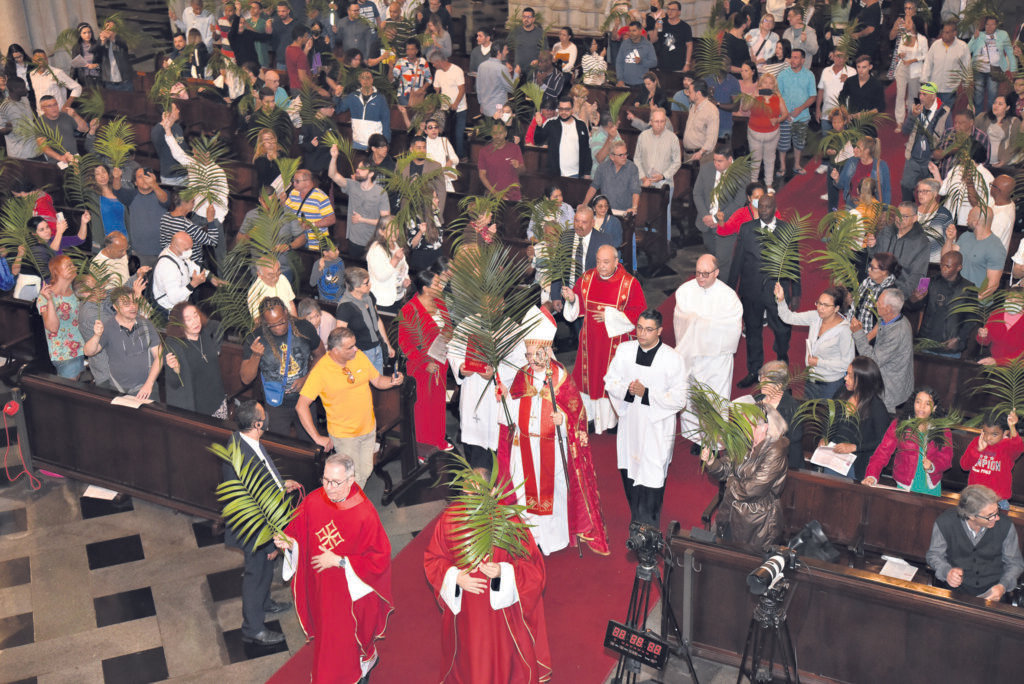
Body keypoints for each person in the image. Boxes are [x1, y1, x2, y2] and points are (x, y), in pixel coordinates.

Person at [496, 306, 610, 556]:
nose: (531, 361)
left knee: (554, 493)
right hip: (525, 445)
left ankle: (553, 537)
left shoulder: (560, 378)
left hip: (552, 448)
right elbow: (513, 409)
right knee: (523, 491)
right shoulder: (522, 375)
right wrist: (506, 398)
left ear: (548, 351)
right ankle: (530, 538)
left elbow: (579, 417)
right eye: (528, 355)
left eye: (536, 355)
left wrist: (565, 421)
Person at [274, 453, 393, 682]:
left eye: (335, 482)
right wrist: (289, 543)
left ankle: (357, 669)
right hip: (321, 586)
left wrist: (340, 561)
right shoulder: (314, 500)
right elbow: (298, 532)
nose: (328, 488)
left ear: (350, 480)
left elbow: (379, 557)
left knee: (345, 640)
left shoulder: (364, 514)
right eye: (325, 480)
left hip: (349, 594)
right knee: (327, 636)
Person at [423, 475, 551, 683]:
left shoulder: (508, 520)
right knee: (470, 662)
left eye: (478, 494)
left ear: (492, 491)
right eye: (468, 494)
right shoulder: (451, 518)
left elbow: (533, 568)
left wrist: (504, 572)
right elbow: (433, 559)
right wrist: (455, 577)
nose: (472, 501)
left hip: (501, 617)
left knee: (502, 661)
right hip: (467, 613)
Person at [220, 401, 298, 647]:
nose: (267, 417)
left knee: (264, 572)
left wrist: (280, 485)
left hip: (261, 525)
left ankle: (265, 602)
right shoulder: (243, 457)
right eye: (264, 415)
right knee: (256, 574)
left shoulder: (243, 440)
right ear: (256, 424)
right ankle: (253, 629)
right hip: (256, 531)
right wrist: (270, 543)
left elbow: (264, 479)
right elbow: (255, 507)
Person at [604, 309, 687, 527]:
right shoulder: (624, 350)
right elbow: (610, 381)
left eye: (649, 329)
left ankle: (650, 525)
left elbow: (680, 398)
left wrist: (647, 393)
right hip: (630, 423)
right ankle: (635, 517)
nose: (642, 333)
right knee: (629, 469)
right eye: (639, 327)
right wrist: (628, 390)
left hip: (656, 427)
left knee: (652, 474)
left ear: (659, 331)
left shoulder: (673, 358)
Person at [296, 328, 404, 487]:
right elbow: (301, 406)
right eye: (350, 347)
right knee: (353, 478)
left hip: (368, 428)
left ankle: (351, 505)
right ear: (335, 351)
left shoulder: (358, 356)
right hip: (345, 436)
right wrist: (317, 437)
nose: (356, 349)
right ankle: (349, 508)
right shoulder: (321, 371)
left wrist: (392, 381)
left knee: (365, 471)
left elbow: (377, 380)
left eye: (355, 345)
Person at [562, 244, 647, 434]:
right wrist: (572, 298)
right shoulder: (587, 278)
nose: (601, 266)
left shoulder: (629, 283)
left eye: (606, 262)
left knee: (610, 379)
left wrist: (610, 316)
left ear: (616, 262)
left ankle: (613, 420)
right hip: (589, 342)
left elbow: (639, 314)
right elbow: (578, 304)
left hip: (614, 344)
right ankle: (592, 417)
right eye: (598, 261)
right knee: (589, 379)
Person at [446, 304, 527, 471]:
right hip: (473, 396)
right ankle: (480, 489)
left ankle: (501, 490)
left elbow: (521, 363)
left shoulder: (511, 329)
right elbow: (453, 350)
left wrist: (496, 374)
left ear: (502, 301)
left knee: (501, 459)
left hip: (497, 398)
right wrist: (461, 368)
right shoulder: (468, 324)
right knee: (476, 455)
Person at [728, 194, 797, 388]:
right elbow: (738, 261)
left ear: (774, 208)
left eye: (768, 207)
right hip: (751, 291)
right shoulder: (747, 229)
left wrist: (796, 292)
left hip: (777, 291)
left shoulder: (788, 230)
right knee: (752, 331)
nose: (764, 211)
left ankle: (782, 361)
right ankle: (754, 370)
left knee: (782, 330)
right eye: (761, 208)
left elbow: (793, 264)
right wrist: (730, 289)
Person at [674, 254, 743, 447]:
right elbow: (680, 318)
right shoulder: (685, 290)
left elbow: (732, 328)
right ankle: (695, 437)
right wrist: (695, 322)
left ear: (717, 273)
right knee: (693, 395)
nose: (701, 278)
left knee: (714, 398)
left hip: (716, 360)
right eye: (697, 273)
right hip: (692, 355)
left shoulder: (728, 297)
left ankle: (713, 440)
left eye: (705, 273)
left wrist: (701, 324)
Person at [701, 405, 789, 552]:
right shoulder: (747, 441)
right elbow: (727, 467)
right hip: (731, 511)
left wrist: (730, 482)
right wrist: (712, 462)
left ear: (764, 427)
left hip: (756, 522)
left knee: (744, 567)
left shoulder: (775, 451)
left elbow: (752, 489)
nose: (744, 427)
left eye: (749, 424)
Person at [240, 297, 325, 440]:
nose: (278, 328)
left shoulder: (304, 328)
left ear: (286, 312)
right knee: (279, 447)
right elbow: (245, 379)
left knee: (310, 446)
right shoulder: (256, 337)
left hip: (305, 399)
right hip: (276, 404)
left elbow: (321, 355)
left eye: (281, 322)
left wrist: (306, 379)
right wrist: (256, 356)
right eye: (272, 325)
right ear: (264, 322)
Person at [926, 484, 1024, 600]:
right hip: (955, 593)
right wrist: (946, 572)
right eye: (990, 516)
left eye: (996, 512)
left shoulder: (1006, 525)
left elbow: (1015, 564)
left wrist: (1003, 586)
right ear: (971, 516)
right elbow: (934, 555)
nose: (997, 518)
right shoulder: (945, 522)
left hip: (994, 592)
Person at [398, 270, 453, 451]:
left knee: (437, 403)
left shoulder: (440, 303)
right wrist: (424, 362)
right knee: (422, 406)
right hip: (421, 366)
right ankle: (421, 447)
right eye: (436, 284)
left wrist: (447, 336)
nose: (440, 287)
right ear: (425, 288)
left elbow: (448, 327)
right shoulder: (410, 309)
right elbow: (405, 343)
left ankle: (438, 439)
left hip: (439, 360)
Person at [863, 387, 953, 495]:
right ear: (913, 404)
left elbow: (946, 458)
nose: (921, 407)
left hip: (931, 486)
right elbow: (882, 452)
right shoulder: (900, 424)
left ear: (934, 408)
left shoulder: (942, 429)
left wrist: (932, 466)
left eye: (927, 404)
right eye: (918, 402)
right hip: (905, 485)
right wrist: (871, 475)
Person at [775, 283, 854, 400]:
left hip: (830, 384)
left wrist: (819, 362)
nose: (820, 308)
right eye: (819, 303)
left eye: (826, 305)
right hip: (811, 379)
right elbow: (788, 317)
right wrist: (781, 300)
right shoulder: (815, 317)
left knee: (824, 416)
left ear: (836, 308)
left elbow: (847, 363)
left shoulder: (844, 330)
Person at [84, 286, 162, 399]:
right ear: (116, 307)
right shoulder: (108, 327)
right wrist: (97, 336)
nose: (133, 307)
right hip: (120, 390)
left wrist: (148, 384)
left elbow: (159, 356)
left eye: (134, 302)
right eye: (126, 304)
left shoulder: (146, 324)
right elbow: (88, 352)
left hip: (148, 389)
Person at [851, 288, 914, 413]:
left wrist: (858, 334)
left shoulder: (897, 333)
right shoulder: (891, 319)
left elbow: (873, 362)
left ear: (889, 309)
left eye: (879, 303)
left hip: (889, 391)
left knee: (881, 425)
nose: (876, 305)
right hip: (886, 383)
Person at [164, 302, 227, 417]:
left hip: (217, 401)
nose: (195, 321)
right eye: (188, 319)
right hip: (194, 408)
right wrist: (176, 370)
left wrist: (216, 350)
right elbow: (173, 384)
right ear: (179, 324)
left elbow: (217, 325)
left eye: (196, 315)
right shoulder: (174, 344)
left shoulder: (204, 334)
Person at [328, 149, 390, 258]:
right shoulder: (352, 185)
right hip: (354, 241)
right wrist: (334, 158)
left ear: (371, 174)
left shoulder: (381, 192)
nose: (357, 170)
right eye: (358, 167)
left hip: (373, 242)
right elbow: (333, 175)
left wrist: (362, 220)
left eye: (362, 169)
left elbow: (385, 222)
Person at [909, 251, 972, 357]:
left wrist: (959, 338)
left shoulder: (969, 288)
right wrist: (913, 299)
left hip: (950, 347)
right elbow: (912, 308)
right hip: (926, 343)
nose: (943, 268)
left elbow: (972, 319)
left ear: (959, 267)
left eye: (948, 266)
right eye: (941, 265)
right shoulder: (927, 281)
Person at [335, 267, 395, 374]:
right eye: (366, 283)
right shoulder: (345, 307)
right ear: (356, 287)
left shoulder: (369, 296)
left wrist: (387, 344)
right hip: (361, 352)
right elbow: (340, 336)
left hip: (377, 347)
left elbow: (377, 320)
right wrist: (354, 352)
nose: (370, 285)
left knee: (377, 381)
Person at [866, 202, 930, 297]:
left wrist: (899, 294)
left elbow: (917, 275)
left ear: (915, 218)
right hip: (876, 284)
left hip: (899, 290)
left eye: (905, 216)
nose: (900, 219)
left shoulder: (921, 242)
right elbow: (874, 257)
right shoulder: (887, 231)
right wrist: (872, 247)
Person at [960, 410, 1022, 508]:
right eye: (985, 432)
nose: (988, 438)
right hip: (975, 499)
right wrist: (978, 450)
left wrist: (1012, 427)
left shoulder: (1007, 446)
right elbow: (964, 465)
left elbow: (1018, 447)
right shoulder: (977, 442)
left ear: (1005, 433)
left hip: (998, 502)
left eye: (994, 434)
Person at [900, 83, 950, 203]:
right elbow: (905, 131)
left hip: (931, 160)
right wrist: (913, 116)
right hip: (914, 157)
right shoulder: (916, 109)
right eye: (920, 94)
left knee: (931, 193)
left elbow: (948, 136)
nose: (921, 97)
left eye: (924, 94)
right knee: (906, 186)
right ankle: (910, 211)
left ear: (933, 96)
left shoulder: (945, 111)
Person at [37, 255, 85, 379]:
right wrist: (50, 300)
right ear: (56, 272)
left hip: (82, 347)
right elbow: (52, 328)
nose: (73, 268)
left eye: (72, 265)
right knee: (70, 391)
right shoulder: (45, 296)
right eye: (68, 266)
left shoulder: (76, 290)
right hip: (64, 353)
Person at [941, 206, 1005, 295]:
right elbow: (946, 259)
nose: (967, 220)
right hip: (955, 295)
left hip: (974, 302)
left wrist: (974, 302)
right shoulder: (966, 236)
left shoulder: (996, 247)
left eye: (969, 217)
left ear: (975, 223)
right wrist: (949, 240)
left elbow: (992, 285)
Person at [693, 144, 745, 253]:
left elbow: (738, 204)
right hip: (706, 222)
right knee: (710, 258)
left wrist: (716, 219)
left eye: (720, 161)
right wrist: (705, 216)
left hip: (726, 225)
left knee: (723, 261)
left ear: (730, 160)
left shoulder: (741, 175)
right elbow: (697, 193)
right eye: (714, 160)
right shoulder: (706, 169)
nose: (716, 164)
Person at [532, 95, 592, 179]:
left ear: (572, 109)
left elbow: (587, 150)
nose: (563, 112)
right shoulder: (551, 123)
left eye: (567, 109)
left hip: (577, 174)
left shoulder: (581, 125)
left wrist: (587, 173)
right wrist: (539, 126)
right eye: (561, 109)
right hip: (556, 174)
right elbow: (538, 141)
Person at [968, 16, 1016, 113]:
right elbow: (967, 50)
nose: (989, 27)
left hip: (995, 70)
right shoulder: (979, 35)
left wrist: (1013, 68)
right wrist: (974, 38)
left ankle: (990, 117)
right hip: (978, 70)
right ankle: (978, 118)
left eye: (992, 24)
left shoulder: (1003, 35)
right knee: (978, 97)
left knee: (992, 95)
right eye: (987, 24)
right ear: (984, 25)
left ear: (996, 25)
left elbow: (1010, 52)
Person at [747, 72, 786, 190]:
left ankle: (768, 183)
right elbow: (744, 108)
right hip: (754, 133)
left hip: (772, 134)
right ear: (761, 84)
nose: (768, 85)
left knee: (770, 159)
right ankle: (753, 183)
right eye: (765, 82)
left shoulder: (778, 97)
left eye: (771, 83)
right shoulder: (754, 95)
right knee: (756, 159)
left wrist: (778, 119)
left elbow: (785, 114)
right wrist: (753, 95)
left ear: (774, 86)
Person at [583, 140, 641, 217]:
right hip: (605, 211)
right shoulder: (602, 168)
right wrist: (584, 204)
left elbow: (636, 191)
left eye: (625, 154)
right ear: (612, 157)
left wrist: (634, 208)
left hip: (624, 212)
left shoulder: (632, 168)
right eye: (621, 155)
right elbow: (594, 187)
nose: (624, 157)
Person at [283, 168, 336, 250]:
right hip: (297, 239)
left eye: (297, 181)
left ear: (307, 182)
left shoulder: (320, 197)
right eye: (293, 180)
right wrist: (282, 202)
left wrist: (312, 225)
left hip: (315, 242)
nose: (293, 183)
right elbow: (286, 212)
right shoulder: (293, 193)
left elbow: (331, 219)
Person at [152, 231, 205, 311]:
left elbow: (191, 266)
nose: (190, 251)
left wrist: (210, 277)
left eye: (191, 248)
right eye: (186, 249)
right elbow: (174, 299)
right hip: (170, 309)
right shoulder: (168, 267)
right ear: (174, 246)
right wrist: (193, 284)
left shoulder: (176, 253)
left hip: (183, 300)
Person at [366, 218, 410, 313]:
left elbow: (403, 267)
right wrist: (395, 260)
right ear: (381, 231)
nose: (395, 232)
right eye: (391, 229)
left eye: (397, 228)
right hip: (382, 300)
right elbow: (381, 276)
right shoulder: (376, 249)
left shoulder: (396, 244)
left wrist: (405, 279)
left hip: (397, 297)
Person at [852, 252, 899, 336]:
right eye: (869, 266)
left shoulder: (891, 292)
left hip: (871, 338)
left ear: (884, 272)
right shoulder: (867, 281)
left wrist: (865, 340)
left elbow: (883, 323)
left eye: (873, 268)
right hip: (855, 330)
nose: (869, 269)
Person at [922, 20, 970, 104]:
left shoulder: (963, 47)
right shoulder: (935, 45)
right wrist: (925, 81)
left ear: (954, 33)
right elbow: (928, 63)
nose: (944, 35)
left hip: (950, 90)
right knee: (932, 113)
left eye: (947, 33)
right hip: (934, 87)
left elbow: (966, 67)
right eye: (943, 32)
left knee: (946, 114)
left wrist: (965, 85)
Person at [475, 40, 512, 118]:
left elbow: (478, 88)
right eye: (506, 50)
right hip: (499, 111)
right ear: (499, 52)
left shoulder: (482, 66)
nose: (507, 52)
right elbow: (512, 88)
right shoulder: (502, 68)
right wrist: (516, 74)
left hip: (485, 109)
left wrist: (481, 103)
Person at [616, 21, 658, 87]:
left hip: (641, 83)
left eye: (634, 31)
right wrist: (620, 79)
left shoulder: (648, 45)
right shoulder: (624, 44)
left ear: (640, 31)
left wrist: (642, 61)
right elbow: (619, 62)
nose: (631, 33)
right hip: (625, 83)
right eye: (630, 31)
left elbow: (654, 62)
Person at [510, 6, 544, 73]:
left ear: (533, 19)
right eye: (524, 17)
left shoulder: (540, 33)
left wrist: (538, 61)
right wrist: (508, 63)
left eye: (529, 17)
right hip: (518, 70)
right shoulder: (516, 31)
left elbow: (545, 52)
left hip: (533, 71)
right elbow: (507, 48)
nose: (526, 19)